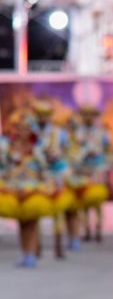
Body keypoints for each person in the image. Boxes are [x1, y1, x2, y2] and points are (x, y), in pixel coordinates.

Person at [0, 110, 54, 268]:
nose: (22, 131)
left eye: (26, 127)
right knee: (22, 223)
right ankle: (25, 253)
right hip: (13, 188)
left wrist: (45, 182)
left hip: (33, 189)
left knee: (31, 222)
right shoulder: (7, 147)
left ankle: (31, 254)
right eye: (19, 127)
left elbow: (45, 169)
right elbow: (3, 168)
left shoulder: (38, 148)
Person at [30, 100, 73, 259]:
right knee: (35, 208)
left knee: (57, 209)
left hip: (55, 174)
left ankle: (58, 243)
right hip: (36, 175)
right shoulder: (30, 133)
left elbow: (68, 151)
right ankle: (36, 245)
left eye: (45, 116)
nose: (42, 119)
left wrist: (58, 158)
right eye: (39, 116)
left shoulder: (59, 133)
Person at [66, 105, 112, 246]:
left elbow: (108, 151)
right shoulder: (77, 133)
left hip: (97, 169)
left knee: (97, 201)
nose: (88, 118)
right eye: (86, 115)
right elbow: (72, 151)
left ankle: (98, 229)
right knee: (83, 200)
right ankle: (85, 229)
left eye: (91, 115)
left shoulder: (102, 133)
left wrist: (105, 166)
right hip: (81, 169)